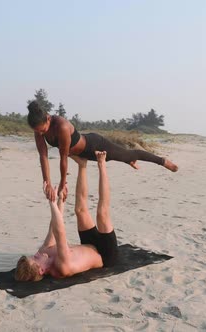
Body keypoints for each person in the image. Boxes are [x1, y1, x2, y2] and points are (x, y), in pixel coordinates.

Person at [27, 100, 178, 201]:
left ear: (47, 119)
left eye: (43, 130)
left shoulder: (62, 126)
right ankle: (127, 159)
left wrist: (61, 184)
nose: (41, 134)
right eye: (38, 132)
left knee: (128, 154)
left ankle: (162, 161)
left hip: (94, 145)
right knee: (120, 157)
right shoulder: (38, 128)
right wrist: (46, 182)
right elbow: (43, 156)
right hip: (78, 154)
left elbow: (63, 157)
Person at [15, 151, 119, 281]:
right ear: (41, 270)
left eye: (33, 255)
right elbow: (60, 233)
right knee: (102, 214)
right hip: (105, 254)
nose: (37, 253)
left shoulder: (44, 251)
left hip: (89, 243)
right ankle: (102, 163)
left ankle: (82, 165)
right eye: (35, 258)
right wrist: (51, 202)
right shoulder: (62, 267)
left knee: (80, 210)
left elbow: (53, 228)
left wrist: (60, 199)